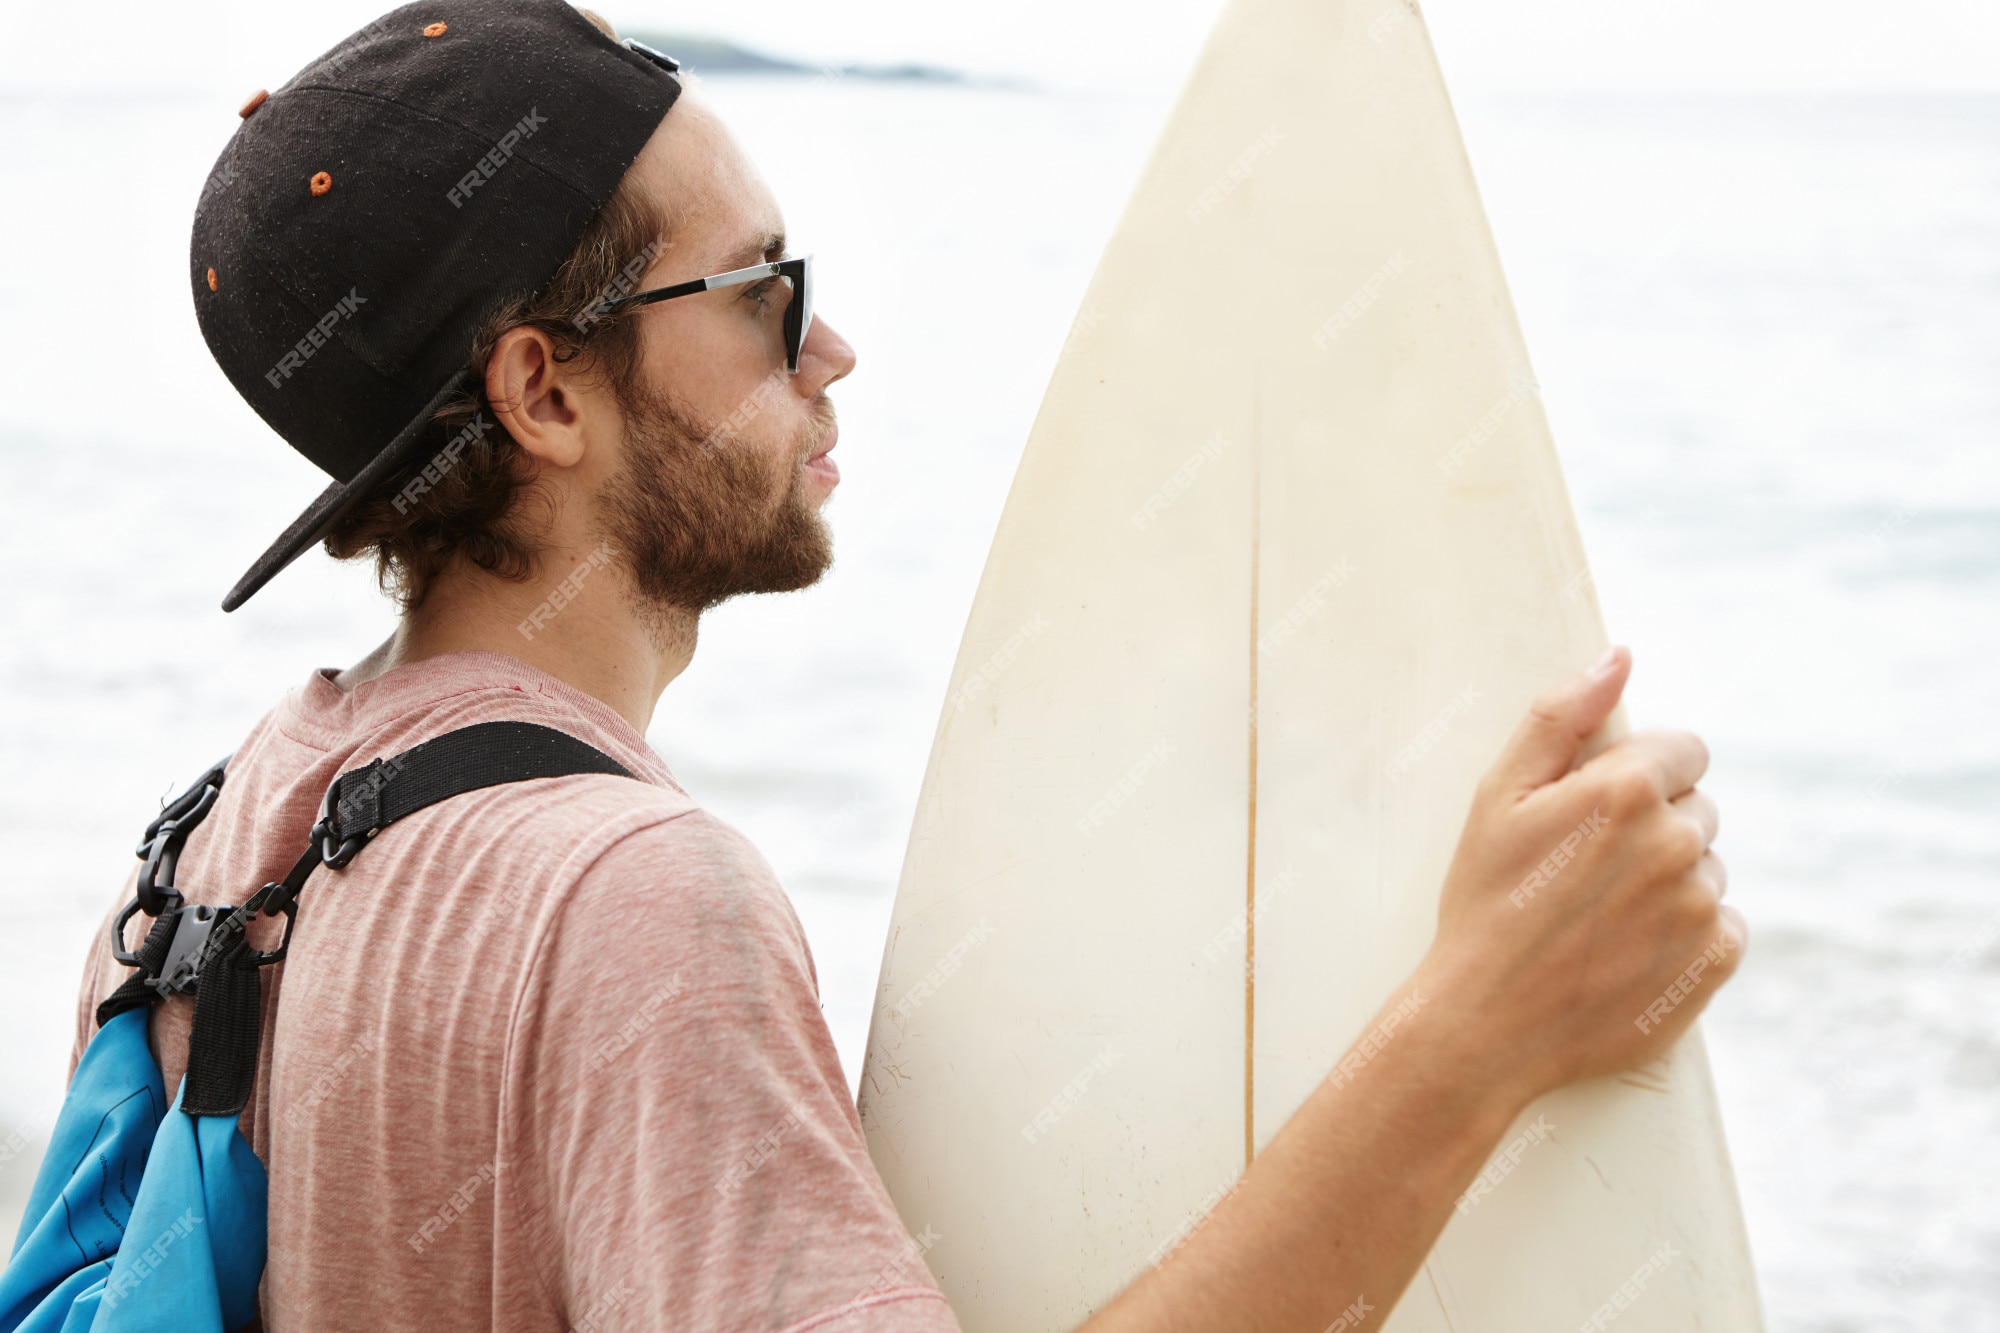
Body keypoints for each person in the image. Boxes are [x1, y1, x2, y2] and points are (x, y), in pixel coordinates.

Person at [64, 2, 1745, 1329]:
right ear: (545, 393)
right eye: (765, 290)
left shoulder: (196, 865)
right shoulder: (630, 896)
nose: (835, 346)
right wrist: (1482, 1026)